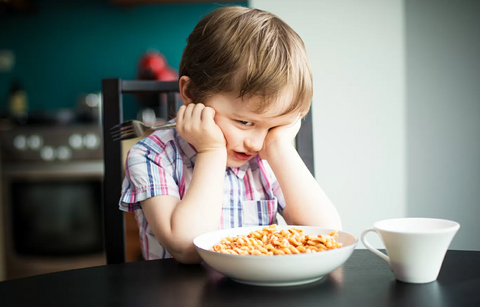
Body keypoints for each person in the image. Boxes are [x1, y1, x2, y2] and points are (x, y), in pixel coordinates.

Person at [120, 5, 342, 263]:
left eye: (272, 127)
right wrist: (211, 151)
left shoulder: (268, 155)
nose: (257, 143)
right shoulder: (152, 156)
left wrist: (281, 147)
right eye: (245, 121)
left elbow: (327, 236)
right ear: (191, 94)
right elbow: (187, 248)